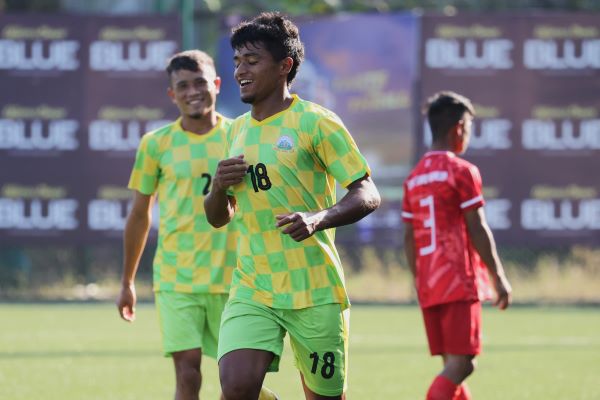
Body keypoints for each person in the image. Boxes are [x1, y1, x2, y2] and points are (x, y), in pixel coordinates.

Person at [204, 12, 381, 400]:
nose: (239, 71)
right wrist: (218, 188)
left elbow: (367, 192)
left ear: (285, 66)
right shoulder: (235, 131)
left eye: (251, 61)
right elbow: (218, 217)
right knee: (235, 387)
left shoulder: (317, 123)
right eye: (236, 61)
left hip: (314, 291)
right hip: (254, 285)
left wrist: (319, 218)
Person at [116, 50, 277, 400]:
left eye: (200, 83)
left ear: (217, 85)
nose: (193, 92)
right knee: (188, 373)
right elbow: (140, 214)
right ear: (172, 94)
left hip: (236, 279)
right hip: (177, 279)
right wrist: (128, 281)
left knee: (237, 384)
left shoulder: (240, 134)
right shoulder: (155, 144)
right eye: (183, 86)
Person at [402, 91, 513, 400]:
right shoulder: (462, 172)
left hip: (429, 281)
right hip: (458, 281)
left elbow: (408, 238)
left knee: (452, 363)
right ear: (459, 128)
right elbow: (477, 227)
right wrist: (498, 276)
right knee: (463, 365)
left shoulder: (414, 178)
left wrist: (418, 279)